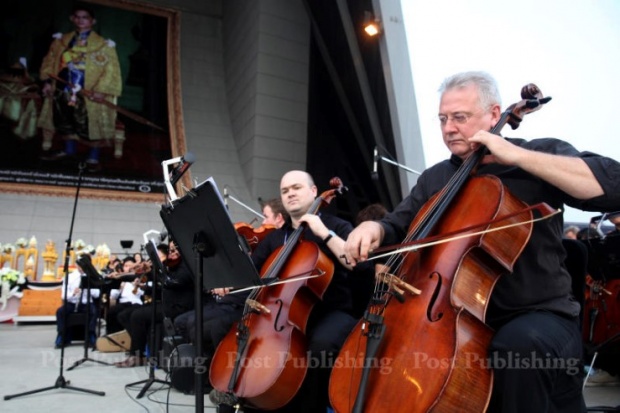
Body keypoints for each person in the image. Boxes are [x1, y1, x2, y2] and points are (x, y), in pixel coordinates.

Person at [343, 71, 620, 412]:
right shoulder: (436, 178)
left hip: (539, 316)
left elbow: (613, 186)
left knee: (516, 347)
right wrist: (374, 230)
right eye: (443, 119)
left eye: (460, 117)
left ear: (494, 114)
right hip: (455, 319)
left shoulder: (539, 155)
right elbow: (397, 224)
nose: (448, 128)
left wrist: (518, 157)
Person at [210, 170, 366, 412]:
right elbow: (252, 277)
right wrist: (231, 287)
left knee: (320, 346)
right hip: (281, 314)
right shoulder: (275, 239)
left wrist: (322, 231)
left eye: (296, 187)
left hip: (330, 311)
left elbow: (353, 261)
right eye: (285, 191)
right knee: (225, 324)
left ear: (314, 192)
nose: (290, 193)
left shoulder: (336, 225)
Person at [172, 197, 290, 388]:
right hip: (236, 299)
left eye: (265, 217)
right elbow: (249, 269)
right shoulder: (265, 242)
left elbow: (256, 274)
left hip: (250, 302)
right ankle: (205, 374)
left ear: (279, 219)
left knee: (208, 325)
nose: (262, 224)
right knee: (194, 323)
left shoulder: (276, 242)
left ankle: (220, 376)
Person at [38, 5, 122, 172]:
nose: (80, 20)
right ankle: (69, 150)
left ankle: (93, 156)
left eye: (85, 17)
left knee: (91, 124)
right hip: (63, 87)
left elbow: (111, 70)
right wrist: (47, 81)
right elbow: (49, 61)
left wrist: (101, 90)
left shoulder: (104, 45)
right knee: (65, 119)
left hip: (89, 91)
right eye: (77, 16)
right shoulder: (60, 41)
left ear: (92, 21)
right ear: (72, 19)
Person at [115, 240, 194, 367]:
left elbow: (171, 282)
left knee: (137, 315)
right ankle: (140, 350)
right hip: (167, 303)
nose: (171, 253)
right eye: (170, 250)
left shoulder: (187, 265)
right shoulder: (173, 265)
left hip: (178, 307)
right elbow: (161, 281)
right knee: (131, 314)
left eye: (174, 250)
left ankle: (137, 355)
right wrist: (151, 271)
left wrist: (155, 269)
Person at [54, 254, 101, 348]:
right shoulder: (70, 277)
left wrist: (88, 288)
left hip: (86, 302)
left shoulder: (92, 276)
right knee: (60, 312)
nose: (81, 268)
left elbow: (97, 293)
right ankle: (62, 335)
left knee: (93, 311)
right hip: (72, 302)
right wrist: (73, 293)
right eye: (79, 265)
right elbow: (64, 295)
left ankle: (91, 334)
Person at [105, 256, 144, 335]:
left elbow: (141, 293)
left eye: (130, 265)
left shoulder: (139, 277)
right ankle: (113, 336)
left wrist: (136, 285)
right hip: (123, 303)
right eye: (126, 266)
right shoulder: (121, 279)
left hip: (135, 303)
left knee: (123, 314)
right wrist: (119, 288)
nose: (128, 268)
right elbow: (114, 296)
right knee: (111, 312)